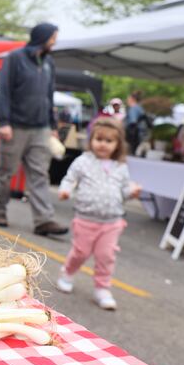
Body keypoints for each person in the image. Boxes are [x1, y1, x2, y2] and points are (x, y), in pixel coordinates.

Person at [0, 22, 68, 236]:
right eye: (53, 37)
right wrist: (3, 122)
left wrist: (52, 125)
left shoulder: (49, 62)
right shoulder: (15, 58)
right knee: (6, 172)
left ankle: (44, 220)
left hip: (41, 127)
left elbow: (49, 95)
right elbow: (3, 90)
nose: (55, 42)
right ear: (42, 37)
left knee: (40, 174)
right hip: (15, 126)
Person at [56, 117, 141, 310]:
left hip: (112, 222)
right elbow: (69, 179)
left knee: (106, 256)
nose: (103, 144)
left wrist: (132, 191)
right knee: (80, 252)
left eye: (109, 141)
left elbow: (124, 191)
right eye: (99, 139)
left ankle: (102, 288)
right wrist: (65, 190)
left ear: (118, 144)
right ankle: (67, 272)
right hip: (85, 218)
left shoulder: (121, 167)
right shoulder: (83, 161)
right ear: (91, 139)